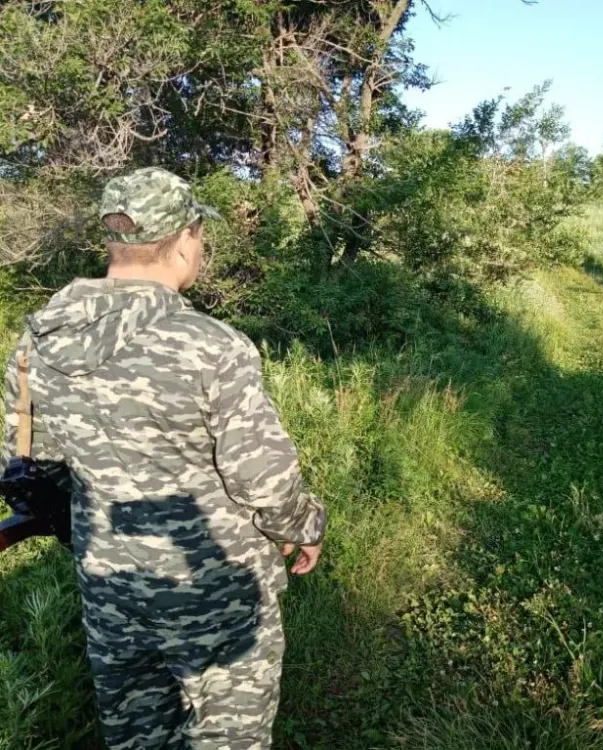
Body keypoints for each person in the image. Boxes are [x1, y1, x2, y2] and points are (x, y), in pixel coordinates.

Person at [1, 167, 328, 749]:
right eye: (200, 238)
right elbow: (264, 480)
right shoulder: (211, 346)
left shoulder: (35, 346)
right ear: (183, 242)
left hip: (112, 592)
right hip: (216, 598)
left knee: (139, 738)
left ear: (115, 243)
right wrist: (304, 528)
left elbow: (25, 471)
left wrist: (81, 534)